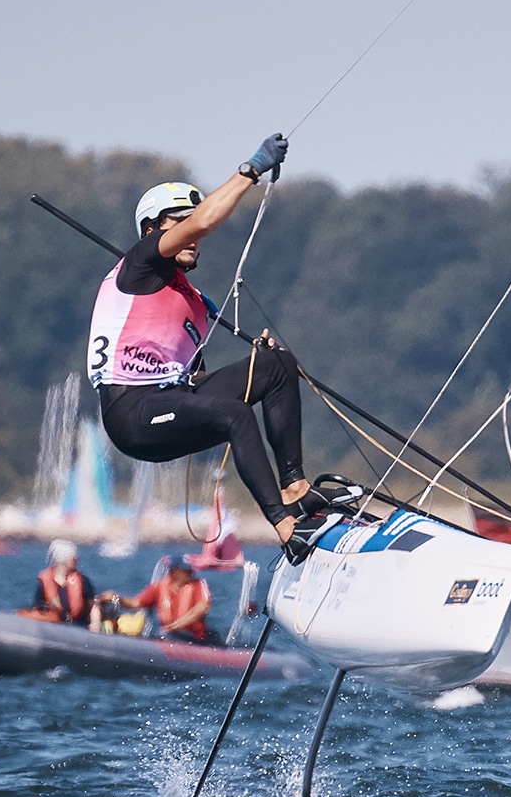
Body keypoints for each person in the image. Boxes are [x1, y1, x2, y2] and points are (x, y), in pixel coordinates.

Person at [88, 132, 330, 555]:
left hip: (171, 400)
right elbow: (203, 221)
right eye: (178, 222)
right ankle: (286, 528)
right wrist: (250, 169)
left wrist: (257, 359)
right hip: (131, 415)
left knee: (275, 365)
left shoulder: (193, 304)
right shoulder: (139, 264)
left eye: (190, 221)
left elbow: (196, 377)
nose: (192, 232)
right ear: (151, 232)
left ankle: (294, 486)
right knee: (234, 415)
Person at [19, 539, 98, 628]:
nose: (77, 559)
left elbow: (92, 607)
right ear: (62, 559)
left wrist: (94, 625)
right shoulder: (43, 584)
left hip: (79, 627)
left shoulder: (83, 581)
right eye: (73, 557)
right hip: (53, 627)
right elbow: (38, 608)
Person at [130, 558, 213, 642]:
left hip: (194, 639)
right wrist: (118, 599)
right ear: (174, 572)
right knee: (162, 635)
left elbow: (202, 608)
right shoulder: (159, 587)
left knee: (164, 635)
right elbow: (135, 603)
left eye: (191, 571)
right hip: (169, 634)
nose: (192, 573)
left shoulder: (199, 584)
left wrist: (178, 624)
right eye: (187, 571)